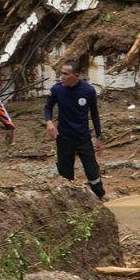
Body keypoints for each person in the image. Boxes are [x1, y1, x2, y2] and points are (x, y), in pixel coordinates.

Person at [44, 59, 105, 200]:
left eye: (66, 74)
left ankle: (100, 196)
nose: (62, 77)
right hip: (64, 137)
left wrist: (99, 137)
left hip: (83, 137)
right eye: (61, 73)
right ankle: (69, 201)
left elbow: (94, 114)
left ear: (76, 75)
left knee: (92, 170)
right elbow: (48, 108)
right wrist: (49, 122)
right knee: (65, 172)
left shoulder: (88, 91)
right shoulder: (56, 90)